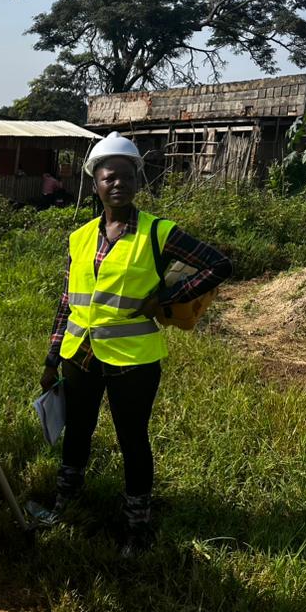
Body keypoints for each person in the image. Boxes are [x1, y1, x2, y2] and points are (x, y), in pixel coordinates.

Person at [40, 132, 232, 556]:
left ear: (137, 182)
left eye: (126, 177)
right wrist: (53, 356)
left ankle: (137, 528)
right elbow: (68, 301)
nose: (118, 184)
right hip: (80, 355)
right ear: (96, 184)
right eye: (109, 177)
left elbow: (219, 264)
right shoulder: (80, 238)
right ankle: (64, 505)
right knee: (78, 433)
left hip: (134, 360)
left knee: (132, 439)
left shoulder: (158, 233)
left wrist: (166, 298)